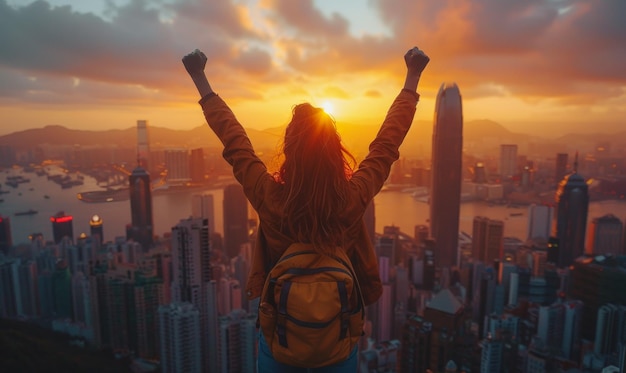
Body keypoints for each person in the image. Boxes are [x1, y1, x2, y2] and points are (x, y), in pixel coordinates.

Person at [183, 46, 429, 372]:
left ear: (288, 150)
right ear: (335, 151)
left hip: (280, 346)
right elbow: (386, 146)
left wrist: (201, 79)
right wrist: (412, 78)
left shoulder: (271, 198)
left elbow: (236, 144)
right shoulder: (349, 200)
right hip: (339, 346)